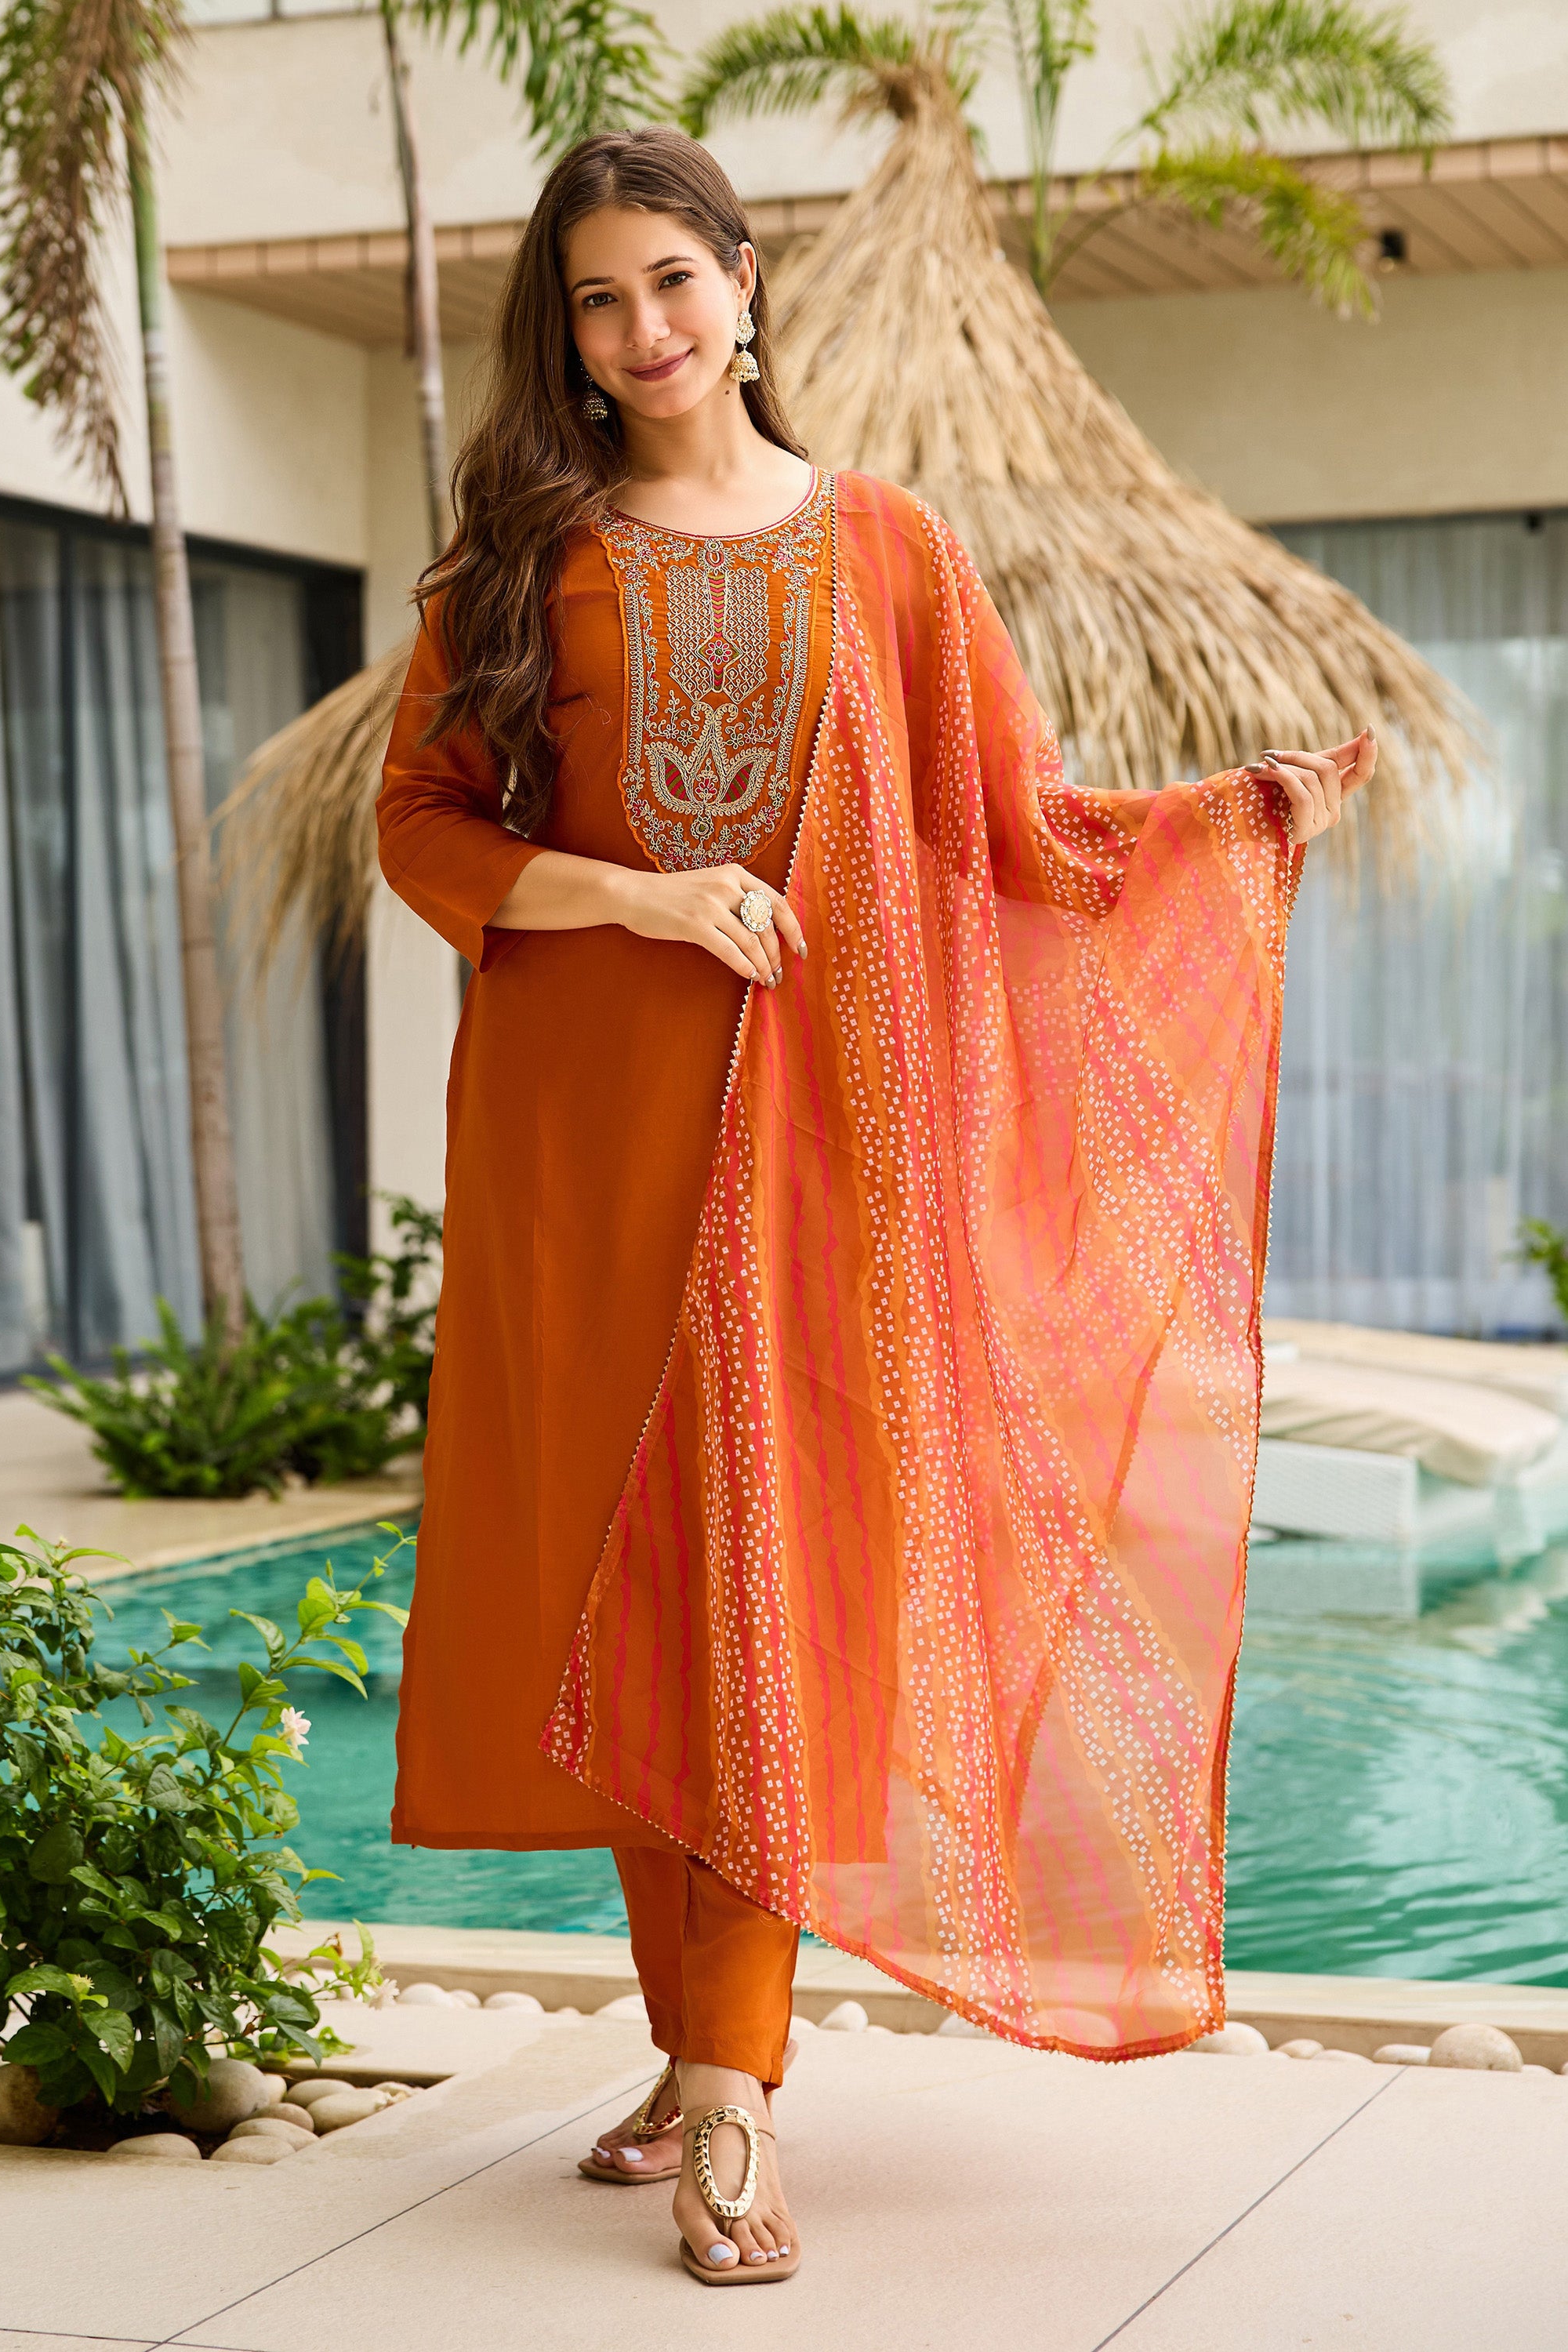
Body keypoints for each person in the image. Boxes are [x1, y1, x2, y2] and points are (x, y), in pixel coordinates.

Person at [376, 124, 1374, 2288]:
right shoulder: (518, 560)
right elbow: (424, 829)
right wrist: (643, 896)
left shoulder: (891, 551)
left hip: (823, 1148)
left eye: (671, 280)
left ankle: (728, 2089)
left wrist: (1229, 826)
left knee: (759, 1579)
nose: (641, 329)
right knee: (624, 1583)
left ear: (746, 284)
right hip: (582, 1141)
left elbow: (1018, 830)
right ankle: (700, 2061)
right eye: (597, 300)